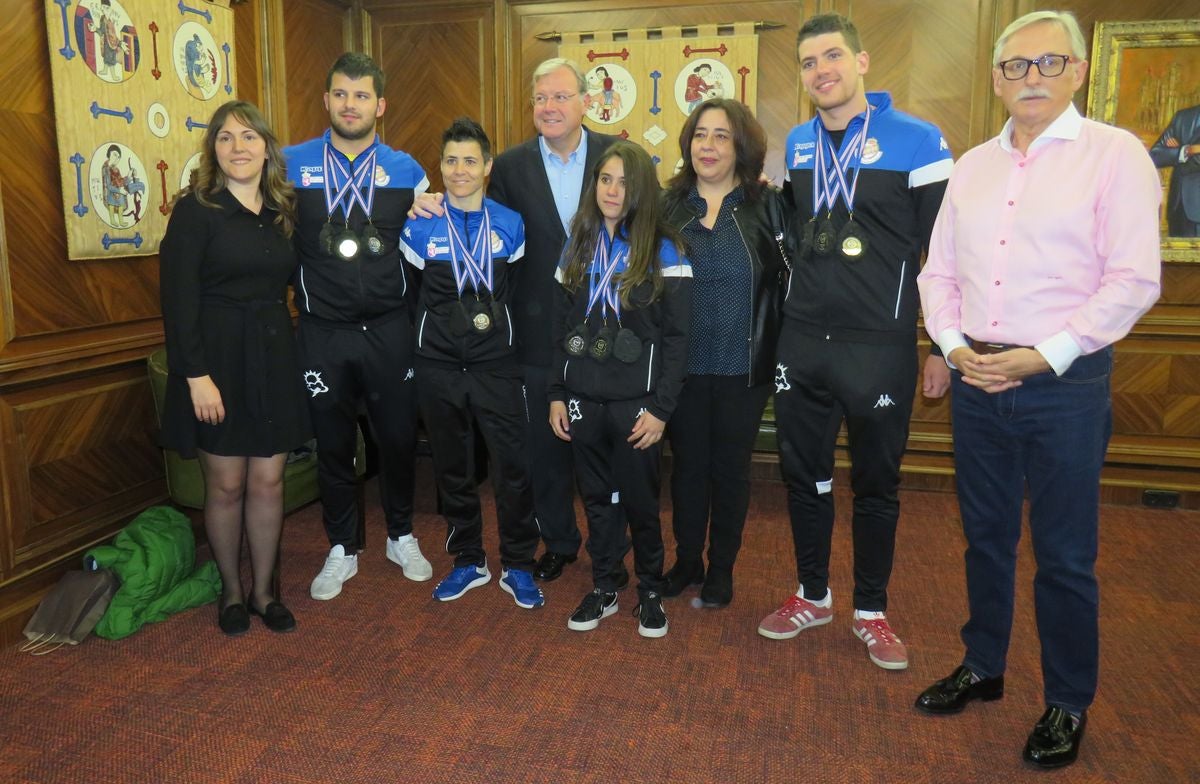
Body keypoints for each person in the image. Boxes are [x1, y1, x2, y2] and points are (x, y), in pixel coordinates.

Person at [915, 11, 1162, 769]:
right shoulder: (972, 168)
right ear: (995, 79)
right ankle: (983, 665)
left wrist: (1042, 356)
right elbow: (938, 273)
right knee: (985, 538)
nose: (1031, 78)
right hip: (978, 378)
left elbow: (1134, 279)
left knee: (1064, 555)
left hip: (1065, 384)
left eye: (1048, 63)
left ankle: (1067, 700)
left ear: (1077, 71)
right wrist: (954, 347)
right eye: (1015, 66)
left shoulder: (1115, 155)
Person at [756, 13, 952, 671]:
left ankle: (871, 611)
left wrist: (942, 344)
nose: (822, 71)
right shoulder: (799, 143)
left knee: (876, 484)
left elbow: (945, 254)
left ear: (862, 62)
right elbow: (797, 236)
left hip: (879, 345)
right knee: (803, 476)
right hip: (804, 342)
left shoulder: (919, 141)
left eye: (833, 56)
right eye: (809, 62)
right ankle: (812, 594)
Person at [414, 59, 626, 586]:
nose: (549, 107)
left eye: (560, 96)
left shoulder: (619, 156)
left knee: (609, 447)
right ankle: (558, 542)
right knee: (543, 450)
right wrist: (426, 201)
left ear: (585, 102)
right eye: (540, 98)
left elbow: (647, 220)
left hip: (609, 325)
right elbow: (475, 222)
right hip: (535, 330)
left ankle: (614, 548)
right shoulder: (509, 166)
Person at [284, 52, 433, 601]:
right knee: (332, 443)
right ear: (326, 100)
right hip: (322, 331)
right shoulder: (289, 165)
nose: (351, 105)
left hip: (389, 330)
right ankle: (342, 546)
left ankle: (401, 534)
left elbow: (429, 245)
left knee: (397, 438)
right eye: (342, 94)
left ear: (380, 105)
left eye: (362, 95)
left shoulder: (407, 171)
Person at [159, 100, 311, 636]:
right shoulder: (196, 211)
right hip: (215, 362)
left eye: (249, 137)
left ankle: (265, 592)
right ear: (213, 150)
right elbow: (177, 301)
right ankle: (230, 592)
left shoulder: (284, 211)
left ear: (267, 148)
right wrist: (195, 376)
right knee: (225, 485)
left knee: (268, 481)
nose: (238, 147)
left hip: (273, 356)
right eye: (226, 138)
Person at [396, 118, 543, 608]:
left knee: (512, 466)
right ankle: (468, 560)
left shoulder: (510, 223)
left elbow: (515, 291)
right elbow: (412, 295)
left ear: (487, 167)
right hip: (438, 364)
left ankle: (518, 563)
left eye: (470, 161)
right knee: (452, 467)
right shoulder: (420, 224)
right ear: (440, 166)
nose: (460, 170)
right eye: (451, 161)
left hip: (496, 364)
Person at [549, 141, 692, 638]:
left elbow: (677, 338)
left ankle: (650, 588)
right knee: (596, 499)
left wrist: (662, 409)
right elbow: (559, 327)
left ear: (642, 190)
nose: (613, 191)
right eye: (605, 179)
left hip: (638, 405)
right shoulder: (577, 244)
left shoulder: (665, 248)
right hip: (583, 399)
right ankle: (606, 583)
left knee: (640, 502)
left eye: (625, 183)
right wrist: (555, 392)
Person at [660, 98, 789, 607]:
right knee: (687, 468)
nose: (708, 146)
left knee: (730, 471)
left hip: (744, 365)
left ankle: (721, 568)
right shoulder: (666, 207)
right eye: (700, 135)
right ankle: (688, 560)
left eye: (721, 136)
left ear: (741, 146)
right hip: (682, 367)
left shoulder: (769, 206)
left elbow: (789, 282)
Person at [1149, 104, 1200, 237]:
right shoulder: (1182, 117)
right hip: (1177, 207)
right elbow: (1155, 155)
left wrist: (1175, 153)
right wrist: (1185, 150)